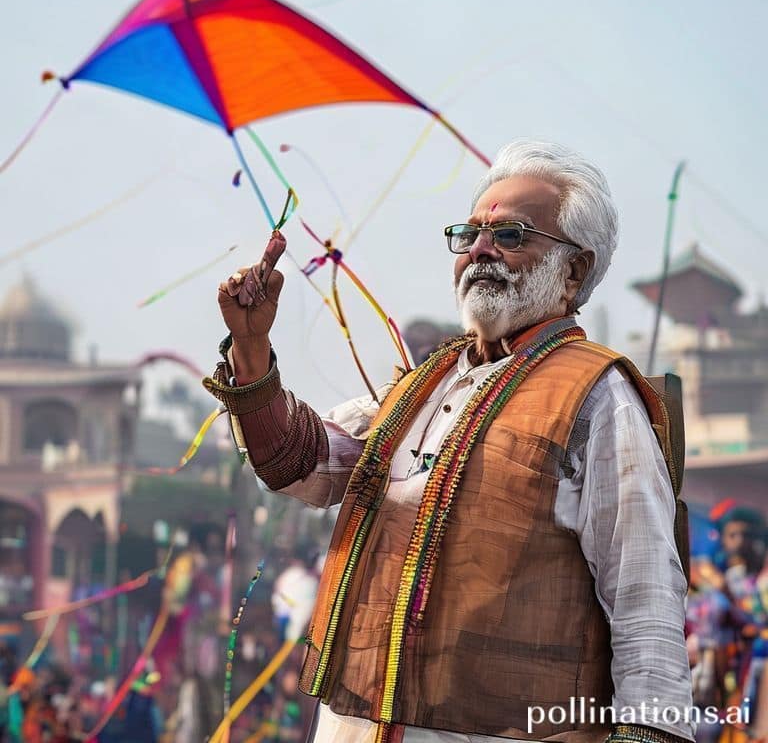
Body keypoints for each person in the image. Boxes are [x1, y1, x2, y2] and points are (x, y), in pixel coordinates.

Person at [205, 140, 695, 743]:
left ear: (573, 269)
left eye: (511, 236)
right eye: (470, 234)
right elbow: (299, 464)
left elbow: (644, 593)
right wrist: (252, 350)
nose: (481, 249)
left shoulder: (598, 394)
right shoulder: (421, 387)